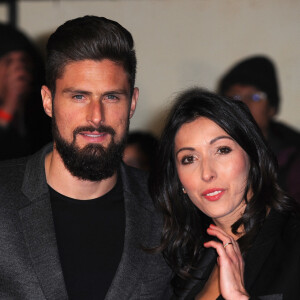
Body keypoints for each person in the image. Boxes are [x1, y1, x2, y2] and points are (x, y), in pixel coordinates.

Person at [0, 16, 172, 299]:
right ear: (48, 101)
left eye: (112, 97)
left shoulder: (165, 209)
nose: (96, 117)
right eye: (79, 97)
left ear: (132, 103)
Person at [150, 88, 300, 299]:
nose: (207, 173)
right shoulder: (184, 261)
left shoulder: (293, 242)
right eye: (189, 159)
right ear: (179, 180)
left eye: (222, 150)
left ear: (253, 156)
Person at [218, 55, 300, 202]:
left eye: (255, 97)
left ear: (272, 108)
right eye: (235, 97)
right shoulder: (209, 149)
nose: (244, 104)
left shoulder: (293, 156)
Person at [0, 23, 51, 159]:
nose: (18, 71)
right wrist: (9, 107)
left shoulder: (43, 111)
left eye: (23, 61)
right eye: (8, 61)